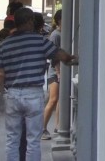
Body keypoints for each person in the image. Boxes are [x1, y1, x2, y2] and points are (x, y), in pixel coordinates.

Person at [0, 7, 77, 161]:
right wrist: (71, 58)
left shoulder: (5, 45)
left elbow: (0, 75)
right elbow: (61, 55)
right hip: (33, 95)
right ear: (30, 21)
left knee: (12, 139)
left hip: (13, 95)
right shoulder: (40, 41)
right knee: (33, 141)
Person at [41, 10, 62, 140]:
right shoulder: (55, 35)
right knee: (53, 99)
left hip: (60, 72)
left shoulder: (63, 33)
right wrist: (58, 72)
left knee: (60, 100)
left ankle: (58, 126)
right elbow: (53, 55)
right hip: (55, 73)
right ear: (59, 20)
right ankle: (42, 128)